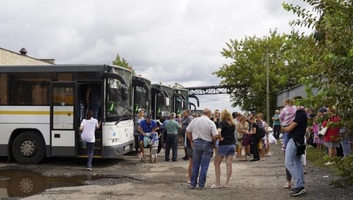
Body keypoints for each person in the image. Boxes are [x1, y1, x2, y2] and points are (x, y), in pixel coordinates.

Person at [186, 108, 218, 190]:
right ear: (209, 114)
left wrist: (191, 141)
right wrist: (213, 143)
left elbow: (188, 131)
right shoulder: (211, 122)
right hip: (207, 143)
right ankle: (201, 184)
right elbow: (215, 135)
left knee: (195, 164)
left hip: (196, 142)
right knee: (204, 165)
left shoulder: (194, 120)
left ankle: (193, 184)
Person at [282, 105, 307, 197]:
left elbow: (289, 129)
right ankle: (301, 185)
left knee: (288, 162)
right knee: (297, 162)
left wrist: (283, 127)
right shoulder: (303, 113)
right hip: (299, 140)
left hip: (294, 140)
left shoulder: (299, 114)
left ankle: (298, 184)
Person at [212, 109, 236, 188]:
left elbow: (218, 131)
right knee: (229, 164)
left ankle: (218, 183)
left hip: (224, 144)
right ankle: (227, 183)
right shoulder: (233, 124)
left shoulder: (222, 123)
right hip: (232, 144)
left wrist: (220, 137)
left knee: (216, 163)